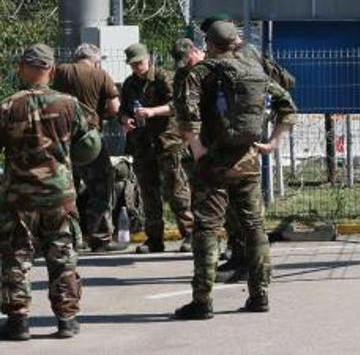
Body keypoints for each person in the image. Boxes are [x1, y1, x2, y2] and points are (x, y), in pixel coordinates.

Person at [173, 21, 296, 320]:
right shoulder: (253, 70)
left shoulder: (201, 72)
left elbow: (186, 113)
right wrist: (273, 143)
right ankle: (260, 295)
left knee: (206, 229)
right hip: (249, 162)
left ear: (209, 43)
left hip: (213, 165)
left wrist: (197, 148)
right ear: (235, 43)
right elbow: (288, 105)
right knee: (254, 227)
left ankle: (202, 301)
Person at [0, 45, 102, 340]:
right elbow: (88, 146)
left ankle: (18, 321)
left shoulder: (7, 106)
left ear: (22, 68)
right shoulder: (69, 105)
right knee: (63, 256)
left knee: (16, 256)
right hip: (60, 195)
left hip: (19, 197)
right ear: (52, 70)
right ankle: (67, 319)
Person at [119, 43, 194, 254]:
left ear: (148, 59)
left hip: (167, 142)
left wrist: (152, 112)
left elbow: (177, 105)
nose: (137, 68)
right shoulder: (129, 84)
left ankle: (190, 233)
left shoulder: (163, 78)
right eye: (133, 65)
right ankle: (154, 238)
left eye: (140, 63)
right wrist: (125, 120)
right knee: (148, 192)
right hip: (142, 143)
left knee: (176, 190)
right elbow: (123, 110)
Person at [52, 44, 121, 252]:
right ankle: (100, 238)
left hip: (61, 138)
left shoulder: (61, 71)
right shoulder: (100, 75)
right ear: (96, 59)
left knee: (65, 189)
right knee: (100, 186)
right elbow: (114, 107)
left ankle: (67, 238)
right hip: (90, 140)